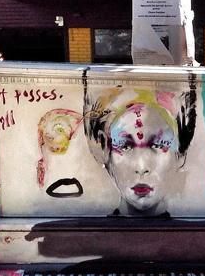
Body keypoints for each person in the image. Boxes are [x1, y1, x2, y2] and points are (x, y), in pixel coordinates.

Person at [84, 78, 197, 216]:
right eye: (125, 146)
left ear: (181, 153)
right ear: (104, 148)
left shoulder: (195, 234)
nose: (141, 167)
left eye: (158, 144)